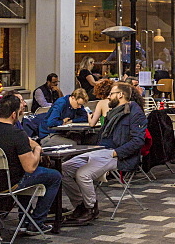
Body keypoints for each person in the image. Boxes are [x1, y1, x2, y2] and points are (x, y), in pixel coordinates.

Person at [62, 81, 147, 225]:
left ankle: (90, 209)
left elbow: (138, 140)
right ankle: (81, 205)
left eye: (111, 94)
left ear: (120, 95)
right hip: (101, 150)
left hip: (117, 154)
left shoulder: (134, 112)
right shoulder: (114, 112)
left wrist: (116, 153)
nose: (109, 97)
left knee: (83, 174)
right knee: (64, 168)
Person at [0, 93, 61, 234]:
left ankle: (24, 219)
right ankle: (36, 222)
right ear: (14, 114)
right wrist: (37, 149)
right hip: (11, 183)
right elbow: (30, 167)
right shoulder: (16, 133)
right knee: (54, 176)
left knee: (26, 174)